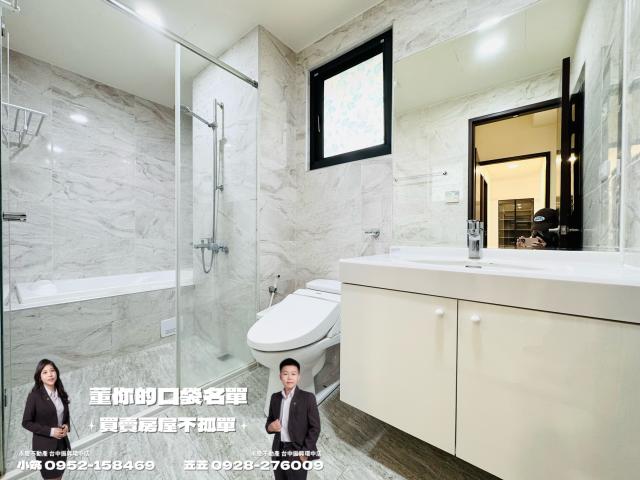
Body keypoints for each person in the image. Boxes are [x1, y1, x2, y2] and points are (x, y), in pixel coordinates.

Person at [265, 358, 321, 480]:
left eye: (293, 374)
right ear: (280, 376)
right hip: (279, 449)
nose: (289, 377)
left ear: (298, 377)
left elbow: (315, 428)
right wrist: (270, 427)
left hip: (297, 450)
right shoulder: (275, 398)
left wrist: (305, 451)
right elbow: (269, 422)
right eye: (285, 374)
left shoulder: (308, 398)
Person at [22, 359, 71, 479]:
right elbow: (26, 422)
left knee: (59, 477)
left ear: (56, 373)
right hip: (45, 448)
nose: (50, 374)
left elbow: (65, 416)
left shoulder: (61, 393)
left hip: (61, 446)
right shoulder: (34, 396)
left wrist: (66, 426)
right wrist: (51, 431)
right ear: (39, 377)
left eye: (52, 370)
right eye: (45, 372)